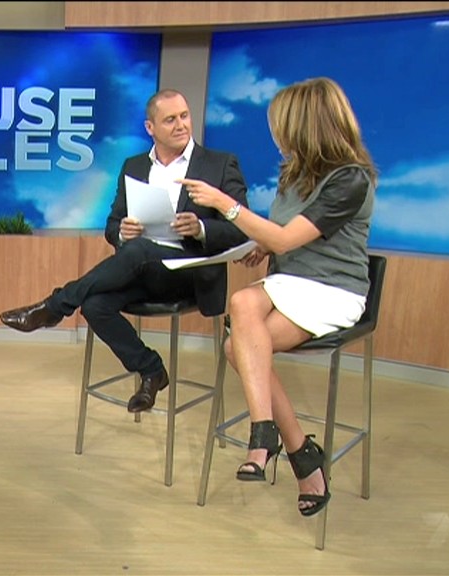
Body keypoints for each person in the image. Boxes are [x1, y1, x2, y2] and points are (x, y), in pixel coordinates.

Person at [183, 77, 377, 517]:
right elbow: (288, 236)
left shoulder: (350, 179)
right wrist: (264, 244)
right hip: (289, 283)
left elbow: (289, 238)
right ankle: (292, 447)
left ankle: (271, 439)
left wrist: (227, 206)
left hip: (333, 290)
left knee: (238, 340)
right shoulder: (294, 173)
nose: (276, 135)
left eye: (281, 126)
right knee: (243, 314)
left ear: (304, 125)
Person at [0, 88, 249, 413]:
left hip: (189, 273)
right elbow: (112, 225)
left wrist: (201, 228)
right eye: (170, 119)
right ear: (150, 127)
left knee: (138, 250)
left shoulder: (220, 164)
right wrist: (122, 232)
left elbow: (242, 227)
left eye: (184, 116)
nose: (181, 125)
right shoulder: (134, 166)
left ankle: (54, 305)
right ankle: (151, 370)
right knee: (95, 304)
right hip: (142, 270)